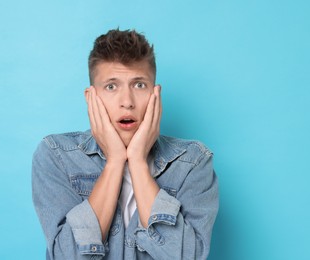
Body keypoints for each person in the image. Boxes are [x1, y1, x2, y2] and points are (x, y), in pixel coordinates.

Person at [32, 29, 219, 260]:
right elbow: (66, 256)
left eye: (139, 85)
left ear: (155, 94)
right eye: (111, 86)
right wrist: (115, 161)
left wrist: (138, 162)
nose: (127, 102)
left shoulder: (193, 162)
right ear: (91, 97)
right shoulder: (56, 155)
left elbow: (187, 257)